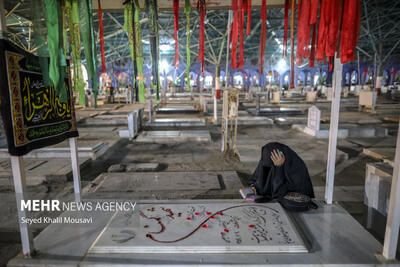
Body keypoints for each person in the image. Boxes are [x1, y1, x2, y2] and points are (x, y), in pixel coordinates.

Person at [248, 142, 315, 201]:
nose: (266, 167)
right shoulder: (265, 162)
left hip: (293, 205)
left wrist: (279, 168)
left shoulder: (297, 169)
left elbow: (279, 193)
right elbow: (255, 179)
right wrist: (253, 187)